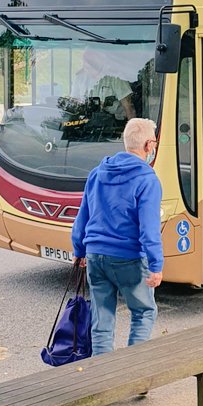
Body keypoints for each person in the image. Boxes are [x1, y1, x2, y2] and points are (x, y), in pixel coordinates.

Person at [71, 117, 163, 355]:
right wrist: (156, 265)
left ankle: (102, 373)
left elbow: (83, 216)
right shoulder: (147, 179)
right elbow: (149, 228)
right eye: (154, 143)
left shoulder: (97, 173)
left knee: (101, 319)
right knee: (143, 312)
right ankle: (132, 371)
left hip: (95, 255)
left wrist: (79, 250)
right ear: (148, 145)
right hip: (129, 258)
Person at [71, 48, 136, 120]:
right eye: (85, 63)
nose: (86, 67)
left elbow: (129, 108)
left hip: (114, 123)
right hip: (86, 122)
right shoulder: (80, 77)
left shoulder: (116, 78)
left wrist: (131, 126)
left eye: (91, 63)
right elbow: (73, 103)